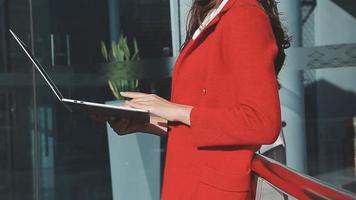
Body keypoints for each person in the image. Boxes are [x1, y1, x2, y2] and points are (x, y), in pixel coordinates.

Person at [94, 0, 290, 199]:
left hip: (213, 190)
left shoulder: (245, 15)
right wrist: (147, 123)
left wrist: (176, 110)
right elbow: (209, 120)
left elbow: (262, 121)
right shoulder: (210, 13)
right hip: (190, 181)